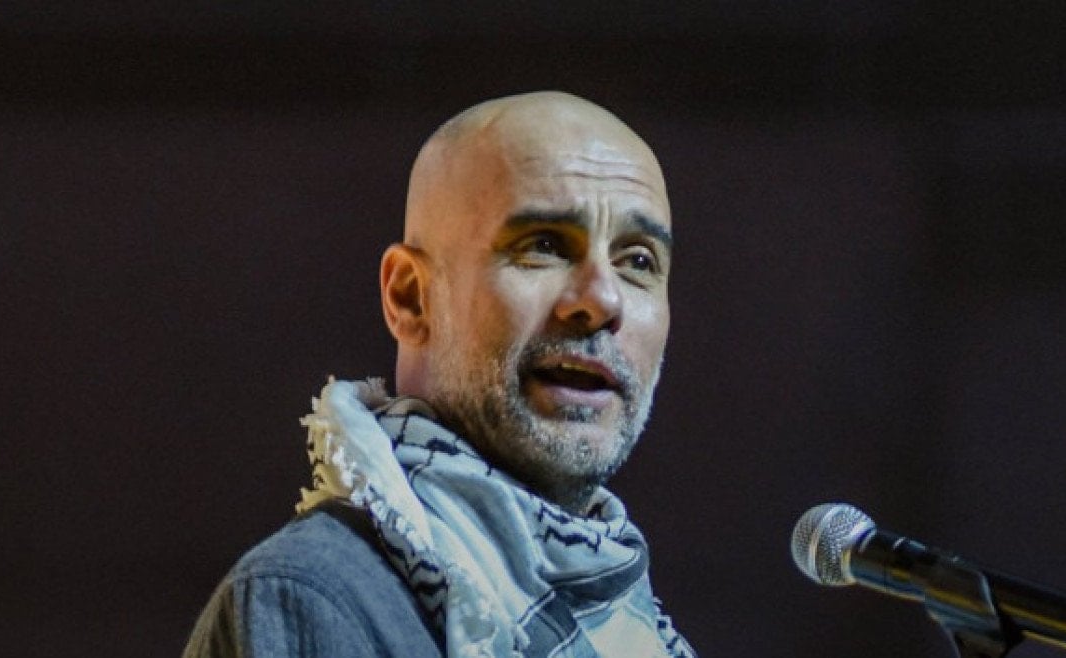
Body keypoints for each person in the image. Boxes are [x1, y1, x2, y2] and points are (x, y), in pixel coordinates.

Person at [183, 91, 695, 657]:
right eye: (544, 246)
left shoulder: (639, 629)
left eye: (638, 261)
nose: (602, 299)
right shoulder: (312, 598)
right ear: (410, 298)